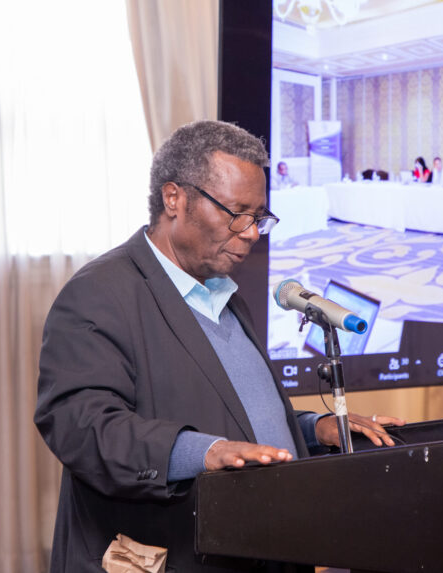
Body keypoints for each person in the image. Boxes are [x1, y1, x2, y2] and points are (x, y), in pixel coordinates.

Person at [34, 120, 404, 572]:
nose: (251, 232)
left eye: (259, 217)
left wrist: (312, 430)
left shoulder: (223, 294)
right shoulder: (100, 293)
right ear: (174, 199)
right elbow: (81, 426)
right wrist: (202, 452)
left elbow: (232, 414)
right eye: (237, 212)